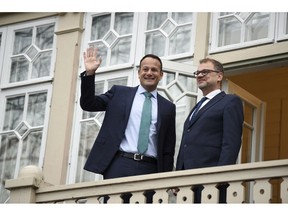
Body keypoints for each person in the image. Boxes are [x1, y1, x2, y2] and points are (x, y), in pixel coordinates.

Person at [79, 46, 176, 203]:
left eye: (154, 70)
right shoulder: (119, 93)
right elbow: (88, 104)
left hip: (151, 169)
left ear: (161, 75)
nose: (149, 73)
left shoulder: (168, 107)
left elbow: (168, 148)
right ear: (139, 73)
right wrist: (90, 73)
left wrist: (167, 178)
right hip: (119, 164)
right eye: (145, 69)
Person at [175, 57, 244, 203]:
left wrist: (219, 178)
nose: (199, 75)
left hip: (210, 181)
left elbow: (231, 144)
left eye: (205, 72)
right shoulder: (198, 106)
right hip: (187, 182)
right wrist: (178, 175)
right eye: (197, 73)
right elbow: (186, 142)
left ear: (219, 76)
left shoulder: (230, 102)